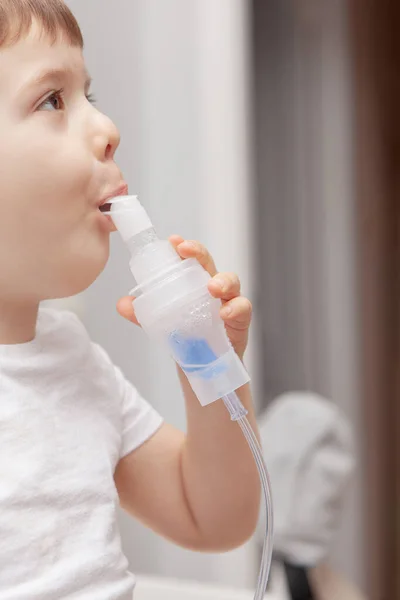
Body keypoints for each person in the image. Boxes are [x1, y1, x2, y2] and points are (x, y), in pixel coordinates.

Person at [0, 1, 260, 598]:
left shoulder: (75, 362)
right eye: (51, 100)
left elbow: (214, 517)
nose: (106, 127)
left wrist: (208, 359)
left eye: (88, 94)